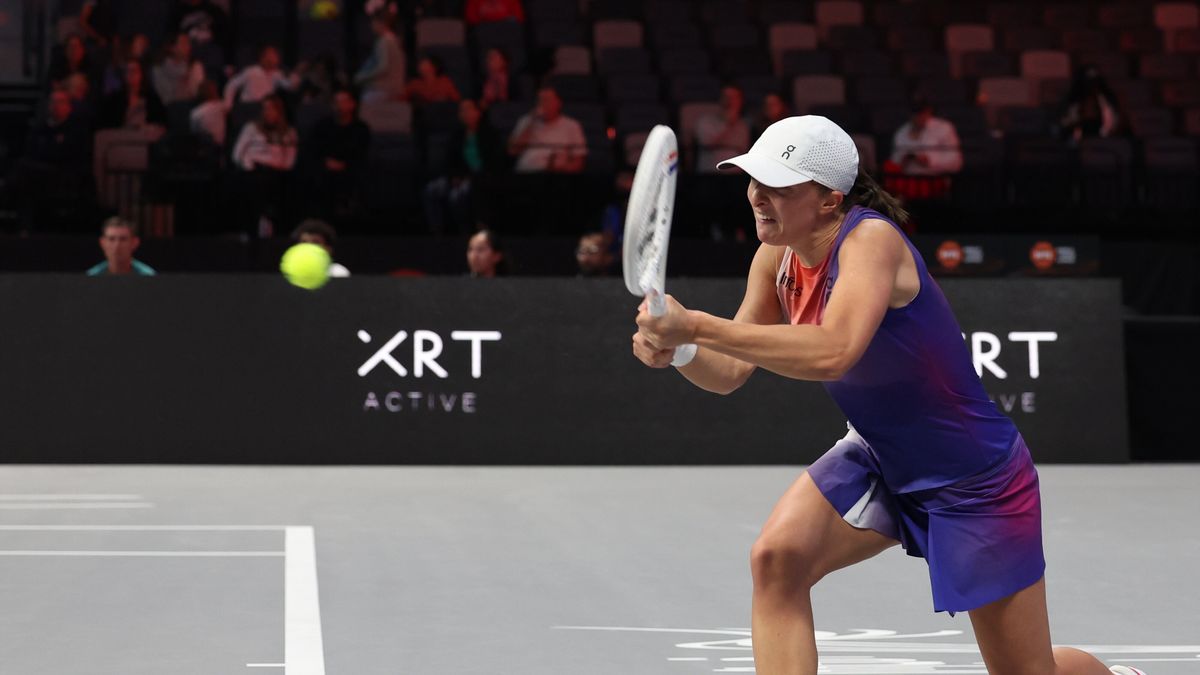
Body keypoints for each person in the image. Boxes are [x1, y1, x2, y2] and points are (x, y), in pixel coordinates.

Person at [630, 114, 1139, 675]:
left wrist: (696, 326)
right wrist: (678, 351)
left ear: (829, 198)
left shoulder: (871, 241)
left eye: (779, 185)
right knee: (777, 560)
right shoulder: (776, 257)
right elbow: (727, 371)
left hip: (974, 479)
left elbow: (834, 351)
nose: (758, 196)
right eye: (754, 181)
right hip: (877, 454)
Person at [423, 98, 504, 232]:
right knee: (430, 190)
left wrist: (469, 178)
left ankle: (465, 233)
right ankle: (437, 234)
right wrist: (454, 176)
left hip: (479, 179)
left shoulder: (490, 135)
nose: (465, 113)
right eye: (462, 110)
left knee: (457, 196)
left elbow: (494, 162)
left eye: (468, 109)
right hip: (456, 177)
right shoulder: (456, 135)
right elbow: (448, 161)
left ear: (478, 112)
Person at [231, 95, 299, 236]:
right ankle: (253, 231)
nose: (267, 112)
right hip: (255, 171)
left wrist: (282, 167)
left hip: (279, 174)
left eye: (271, 109)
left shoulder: (289, 132)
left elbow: (290, 158)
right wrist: (248, 167)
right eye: (265, 109)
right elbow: (238, 153)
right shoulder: (252, 128)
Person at [306, 87, 371, 218]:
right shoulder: (322, 126)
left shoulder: (361, 129)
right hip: (325, 168)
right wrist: (325, 162)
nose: (339, 106)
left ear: (352, 104)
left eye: (344, 101)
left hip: (350, 169)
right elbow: (313, 151)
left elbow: (362, 154)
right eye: (336, 102)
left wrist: (345, 165)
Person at [507, 85, 586, 173]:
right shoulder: (526, 121)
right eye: (540, 101)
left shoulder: (572, 125)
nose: (543, 104)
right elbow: (513, 151)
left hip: (556, 175)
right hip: (525, 172)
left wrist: (561, 170)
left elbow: (578, 162)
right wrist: (531, 122)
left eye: (547, 100)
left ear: (558, 103)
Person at [888, 99, 962, 176]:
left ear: (929, 110)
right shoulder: (900, 133)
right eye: (914, 111)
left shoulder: (944, 128)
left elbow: (956, 162)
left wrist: (929, 161)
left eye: (921, 111)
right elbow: (894, 163)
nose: (918, 116)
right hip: (906, 182)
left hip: (935, 180)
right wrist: (902, 161)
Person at [1059, 64, 1122, 143]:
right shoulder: (1071, 101)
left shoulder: (1107, 99)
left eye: (1095, 82)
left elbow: (1113, 126)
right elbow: (1066, 124)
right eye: (1087, 83)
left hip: (1105, 142)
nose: (1091, 87)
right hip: (1078, 145)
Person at [693, 84, 749, 173]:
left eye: (734, 97)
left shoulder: (744, 125)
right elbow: (707, 142)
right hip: (709, 174)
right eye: (726, 97)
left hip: (736, 175)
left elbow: (743, 148)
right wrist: (729, 123)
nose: (729, 101)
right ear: (720, 99)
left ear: (740, 101)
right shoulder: (705, 121)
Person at [223, 45, 302, 107]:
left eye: (275, 55)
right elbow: (232, 85)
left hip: (265, 108)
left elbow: (289, 86)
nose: (275, 58)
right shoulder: (251, 71)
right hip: (249, 106)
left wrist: (296, 73)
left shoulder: (276, 74)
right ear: (263, 57)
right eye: (272, 55)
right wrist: (228, 104)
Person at [98, 59, 167, 130]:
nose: (131, 74)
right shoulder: (114, 99)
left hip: (144, 135)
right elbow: (106, 124)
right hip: (121, 136)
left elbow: (161, 123)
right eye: (127, 71)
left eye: (134, 71)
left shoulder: (151, 98)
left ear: (141, 74)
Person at [354, 11, 406, 103]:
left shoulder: (384, 41)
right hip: (394, 91)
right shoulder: (394, 40)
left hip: (383, 92)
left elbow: (383, 67)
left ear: (382, 23)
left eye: (373, 22)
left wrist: (362, 77)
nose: (371, 25)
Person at [87, 216, 157, 275]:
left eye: (123, 239)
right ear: (102, 243)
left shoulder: (148, 276)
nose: (117, 245)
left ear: (135, 242)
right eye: (111, 239)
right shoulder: (92, 276)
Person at [152, 33, 206, 104]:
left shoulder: (195, 66)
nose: (188, 46)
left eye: (188, 43)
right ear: (172, 47)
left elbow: (197, 91)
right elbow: (165, 95)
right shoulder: (159, 69)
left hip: (191, 106)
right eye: (183, 43)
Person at [190, 79, 227, 145]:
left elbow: (194, 131)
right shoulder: (221, 106)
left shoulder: (195, 112)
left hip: (204, 146)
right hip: (220, 144)